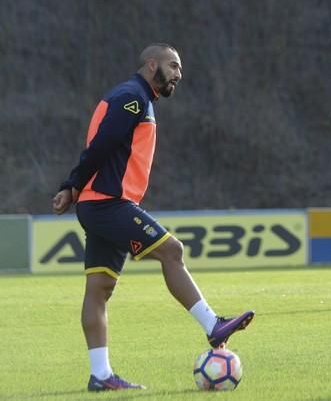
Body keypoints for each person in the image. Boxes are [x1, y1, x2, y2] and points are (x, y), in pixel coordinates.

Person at [52, 43, 254, 392]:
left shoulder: (136, 98)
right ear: (151, 65)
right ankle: (213, 325)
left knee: (99, 288)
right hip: (108, 203)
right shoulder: (132, 97)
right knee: (171, 250)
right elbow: (102, 144)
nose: (179, 73)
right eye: (173, 65)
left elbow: (105, 146)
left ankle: (101, 376)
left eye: (180, 69)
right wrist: (72, 183)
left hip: (100, 203)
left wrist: (74, 188)